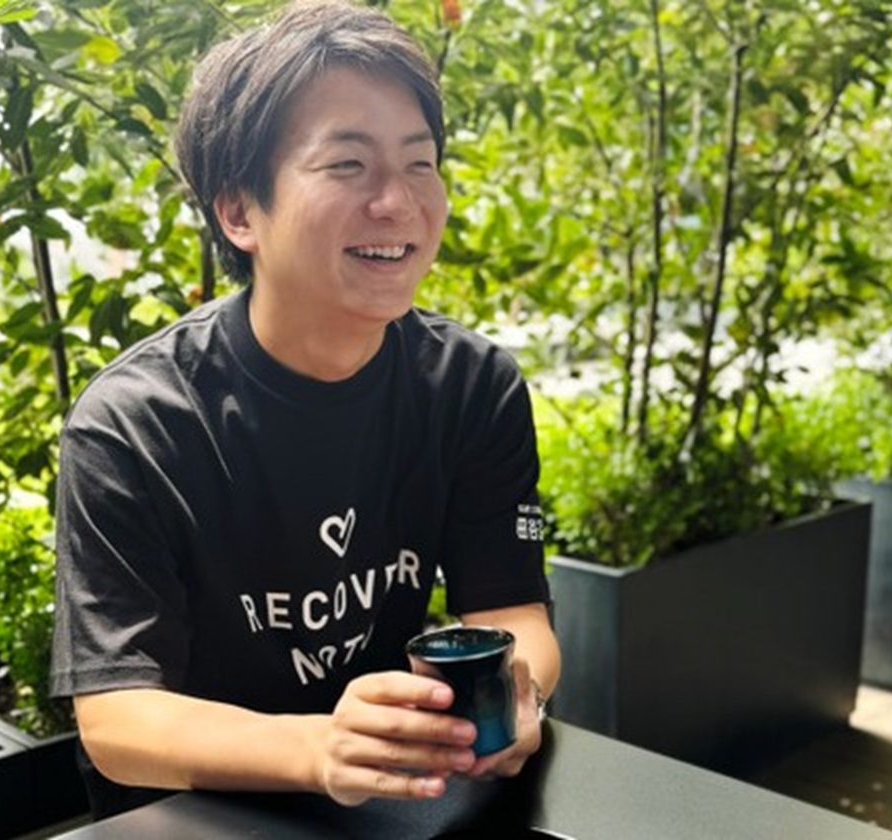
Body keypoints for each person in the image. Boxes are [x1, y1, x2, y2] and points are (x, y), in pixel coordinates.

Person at [50, 0, 561, 820]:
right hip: (197, 812)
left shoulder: (470, 386)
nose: (397, 201)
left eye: (420, 163)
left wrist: (514, 695)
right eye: (348, 165)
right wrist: (321, 749)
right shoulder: (136, 423)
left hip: (388, 801)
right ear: (238, 212)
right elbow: (119, 720)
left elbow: (512, 613)